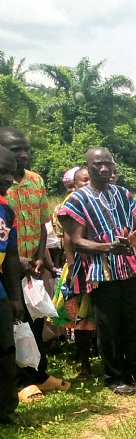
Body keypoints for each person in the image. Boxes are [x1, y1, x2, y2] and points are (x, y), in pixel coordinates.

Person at [58, 147, 136, 395]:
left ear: (113, 166)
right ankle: (114, 377)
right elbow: (77, 241)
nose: (103, 168)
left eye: (107, 164)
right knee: (108, 325)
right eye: (97, 164)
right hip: (101, 271)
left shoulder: (123, 194)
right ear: (88, 167)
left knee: (134, 322)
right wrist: (107, 247)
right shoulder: (77, 200)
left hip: (129, 267)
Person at [0, 127, 69, 398]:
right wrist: (20, 261)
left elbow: (42, 225)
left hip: (33, 267)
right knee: (13, 323)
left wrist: (40, 257)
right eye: (17, 150)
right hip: (10, 266)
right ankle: (18, 382)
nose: (24, 154)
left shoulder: (35, 181)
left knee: (35, 319)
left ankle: (37, 373)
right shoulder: (4, 188)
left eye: (26, 149)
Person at [52, 167, 95, 380]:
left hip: (101, 263)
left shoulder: (101, 198)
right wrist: (71, 264)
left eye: (90, 180)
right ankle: (85, 365)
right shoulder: (71, 204)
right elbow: (68, 238)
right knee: (80, 318)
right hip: (79, 265)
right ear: (75, 184)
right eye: (83, 180)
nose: (87, 183)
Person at [0, 145, 24, 424]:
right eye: (1, 172)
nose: (7, 178)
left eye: (11, 173)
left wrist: (16, 298)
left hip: (2, 292)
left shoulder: (6, 209)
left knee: (5, 349)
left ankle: (5, 409)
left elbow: (11, 256)